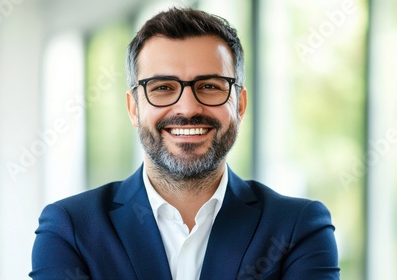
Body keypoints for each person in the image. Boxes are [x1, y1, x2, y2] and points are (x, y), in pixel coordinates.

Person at [30, 7, 340, 280]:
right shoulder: (69, 229)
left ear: (240, 105)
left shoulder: (298, 229)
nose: (188, 108)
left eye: (209, 86)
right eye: (163, 87)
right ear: (134, 108)